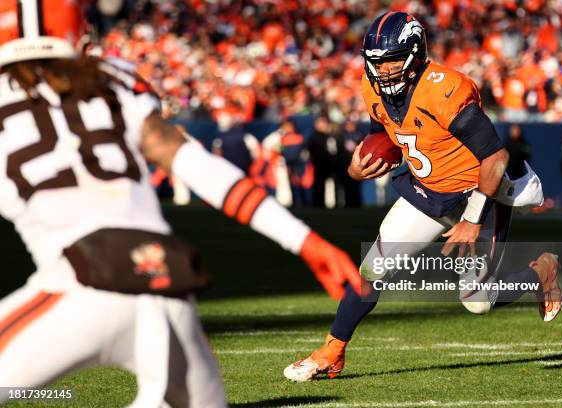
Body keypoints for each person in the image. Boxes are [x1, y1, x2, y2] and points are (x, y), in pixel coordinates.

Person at [0, 1, 364, 407]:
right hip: (167, 285)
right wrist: (303, 240)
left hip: (79, 281)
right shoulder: (114, 79)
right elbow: (188, 159)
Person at [284, 12, 562, 382]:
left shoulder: (445, 89)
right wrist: (356, 169)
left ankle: (538, 273)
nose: (383, 72)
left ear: (415, 54)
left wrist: (472, 219)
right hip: (427, 193)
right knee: (372, 269)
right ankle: (331, 352)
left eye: (392, 61)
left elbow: (495, 157)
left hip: (475, 195)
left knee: (477, 302)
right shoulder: (374, 89)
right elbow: (386, 141)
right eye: (376, 63)